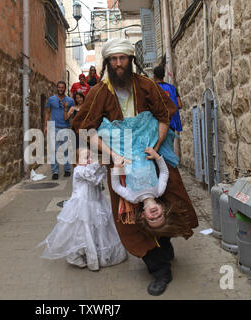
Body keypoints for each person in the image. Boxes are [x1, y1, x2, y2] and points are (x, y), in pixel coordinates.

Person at [72, 38, 198, 296]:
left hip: (153, 156)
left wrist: (156, 146)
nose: (118, 64)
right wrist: (113, 156)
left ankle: (164, 242)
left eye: (123, 58)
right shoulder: (98, 93)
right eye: (114, 59)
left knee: (172, 201)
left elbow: (165, 115)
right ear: (107, 62)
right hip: (121, 165)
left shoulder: (147, 85)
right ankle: (159, 269)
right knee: (129, 217)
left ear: (131, 60)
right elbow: (85, 127)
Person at [37, 148, 127, 271]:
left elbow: (98, 179)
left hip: (97, 204)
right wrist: (100, 163)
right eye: (85, 158)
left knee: (98, 231)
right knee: (82, 233)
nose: (89, 160)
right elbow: (90, 175)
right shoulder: (79, 171)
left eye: (90, 156)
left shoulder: (92, 170)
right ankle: (77, 256)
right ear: (76, 162)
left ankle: (100, 255)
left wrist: (104, 166)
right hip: (82, 207)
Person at [44, 81, 75, 180]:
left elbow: (72, 115)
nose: (61, 89)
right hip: (54, 127)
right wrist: (45, 126)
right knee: (54, 150)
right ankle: (55, 171)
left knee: (65, 149)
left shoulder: (70, 101)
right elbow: (47, 113)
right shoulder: (51, 100)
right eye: (59, 87)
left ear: (65, 88)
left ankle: (67, 169)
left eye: (62, 87)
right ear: (57, 88)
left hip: (66, 127)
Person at [153, 65, 183, 158]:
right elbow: (180, 104)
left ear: (154, 75)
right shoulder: (172, 88)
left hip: (157, 122)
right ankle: (169, 166)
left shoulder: (152, 88)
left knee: (158, 146)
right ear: (163, 75)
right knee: (169, 146)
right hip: (171, 122)